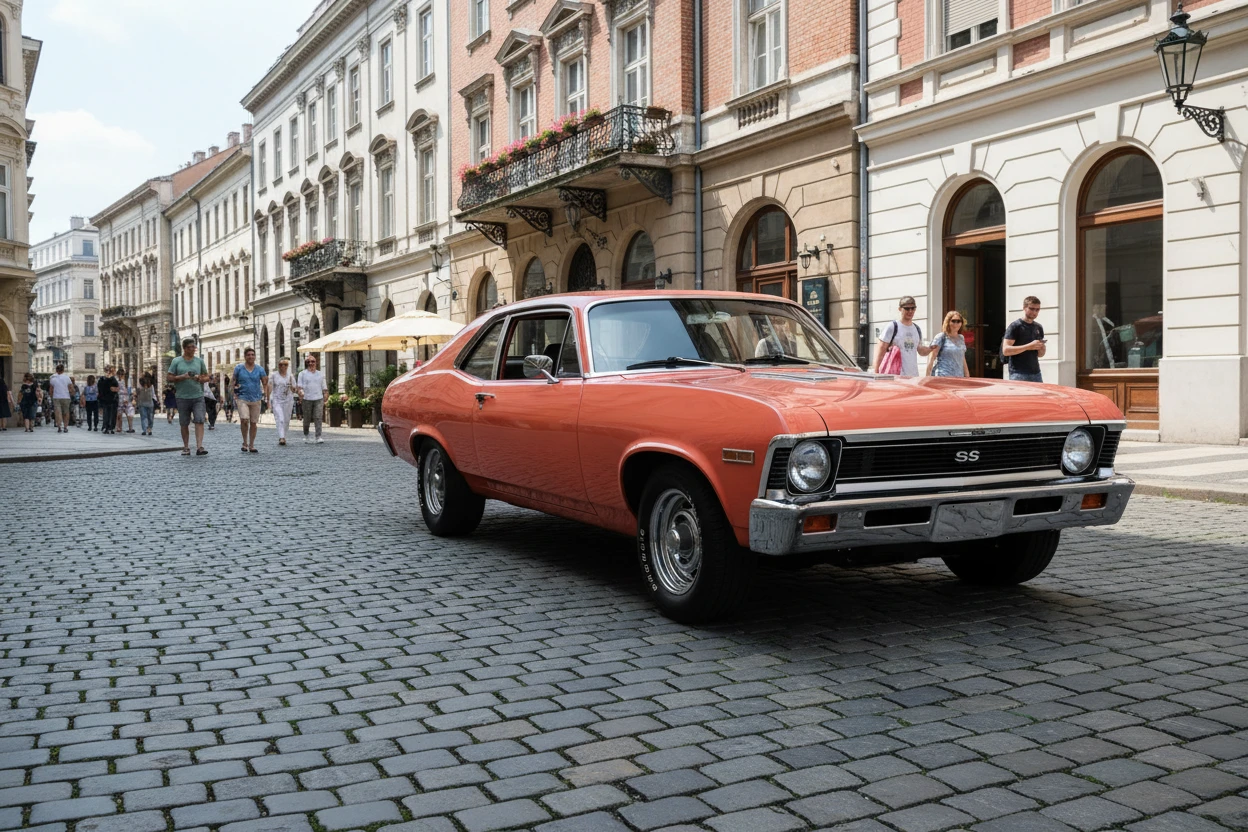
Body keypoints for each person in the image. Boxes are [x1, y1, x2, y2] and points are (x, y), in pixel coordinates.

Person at [873, 296, 933, 377]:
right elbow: (881, 349)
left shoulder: (916, 328)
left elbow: (920, 350)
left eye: (913, 308)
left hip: (913, 376)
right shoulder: (893, 327)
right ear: (900, 309)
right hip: (895, 376)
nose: (910, 311)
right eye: (907, 308)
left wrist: (930, 349)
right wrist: (876, 373)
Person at [168, 338, 209, 456]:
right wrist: (182, 377)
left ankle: (199, 447)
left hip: (198, 396)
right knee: (184, 423)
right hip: (182, 396)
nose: (193, 349)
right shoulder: (176, 361)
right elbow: (169, 377)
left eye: (194, 347)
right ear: (185, 348)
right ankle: (186, 447)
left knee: (199, 420)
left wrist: (200, 378)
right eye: (191, 347)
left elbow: (206, 377)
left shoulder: (199, 361)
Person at [1003, 295, 1047, 383]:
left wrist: (1042, 348)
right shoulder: (1015, 326)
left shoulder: (1038, 327)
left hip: (1036, 372)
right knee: (1020, 397)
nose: (1034, 312)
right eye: (1031, 309)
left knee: (1038, 397)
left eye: (1037, 309)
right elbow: (1005, 350)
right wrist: (1028, 346)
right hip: (1018, 372)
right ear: (1024, 308)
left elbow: (1040, 355)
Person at [232, 347, 268, 453]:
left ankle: (252, 444)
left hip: (256, 398)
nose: (251, 356)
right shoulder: (239, 368)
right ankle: (245, 442)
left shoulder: (260, 369)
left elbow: (265, 382)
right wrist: (233, 394)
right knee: (244, 419)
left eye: (252, 354)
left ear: (255, 356)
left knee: (253, 422)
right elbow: (233, 381)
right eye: (248, 355)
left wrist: (265, 394)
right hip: (242, 397)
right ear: (245, 356)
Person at [926, 311, 971, 378]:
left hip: (959, 377)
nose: (956, 324)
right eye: (953, 321)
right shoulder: (941, 337)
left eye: (958, 321)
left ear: (961, 323)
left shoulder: (961, 338)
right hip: (943, 376)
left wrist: (967, 375)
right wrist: (927, 377)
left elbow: (962, 357)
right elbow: (932, 357)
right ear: (948, 322)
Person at [297, 354, 329, 444]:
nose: (311, 363)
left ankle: (318, 436)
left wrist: (326, 395)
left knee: (318, 417)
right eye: (308, 362)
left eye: (313, 361)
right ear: (306, 363)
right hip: (306, 398)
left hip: (318, 398)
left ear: (316, 363)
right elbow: (299, 386)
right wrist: (301, 393)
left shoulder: (320, 374)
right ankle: (306, 435)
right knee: (307, 418)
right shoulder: (302, 374)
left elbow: (324, 387)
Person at [269, 357, 296, 446]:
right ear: (278, 366)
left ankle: (284, 435)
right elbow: (269, 387)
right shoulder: (274, 375)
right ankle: (282, 437)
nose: (283, 366)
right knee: (280, 418)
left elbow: (294, 389)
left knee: (286, 419)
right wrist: (267, 399)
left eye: (285, 364)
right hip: (277, 400)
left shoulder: (290, 376)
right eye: (281, 365)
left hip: (288, 400)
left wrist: (291, 386)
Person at [48, 364, 73, 433]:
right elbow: (71, 388)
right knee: (66, 412)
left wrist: (51, 396)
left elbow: (51, 390)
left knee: (58, 412)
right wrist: (71, 394)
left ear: (56, 370)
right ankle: (65, 427)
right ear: (63, 370)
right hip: (66, 397)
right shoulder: (67, 378)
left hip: (56, 397)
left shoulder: (53, 379)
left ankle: (59, 427)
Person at [97, 366, 119, 435]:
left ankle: (110, 427)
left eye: (109, 371)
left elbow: (116, 388)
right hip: (106, 399)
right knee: (106, 414)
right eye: (106, 371)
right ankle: (106, 427)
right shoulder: (102, 380)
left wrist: (114, 389)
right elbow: (100, 390)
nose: (108, 372)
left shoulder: (113, 379)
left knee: (111, 414)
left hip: (112, 399)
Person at [116, 368, 136, 433]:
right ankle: (125, 427)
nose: (120, 376)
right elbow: (132, 390)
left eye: (121, 374)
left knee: (123, 414)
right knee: (124, 414)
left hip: (123, 399)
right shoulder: (125, 381)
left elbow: (131, 390)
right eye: (119, 374)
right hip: (123, 399)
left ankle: (122, 427)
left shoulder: (123, 381)